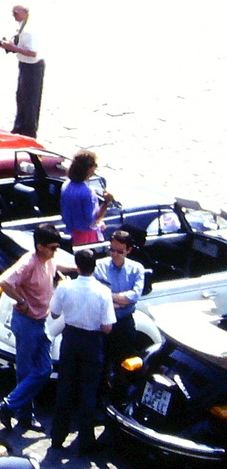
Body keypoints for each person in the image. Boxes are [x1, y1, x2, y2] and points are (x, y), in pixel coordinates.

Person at [0, 223, 63, 432]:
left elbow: (57, 269)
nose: (55, 251)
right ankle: (22, 414)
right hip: (27, 323)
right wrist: (21, 301)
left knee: (44, 369)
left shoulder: (48, 261)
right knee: (25, 371)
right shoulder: (29, 263)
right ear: (40, 246)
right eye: (52, 247)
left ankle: (11, 406)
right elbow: (5, 282)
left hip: (40, 322)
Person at [49, 248, 114, 454]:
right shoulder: (103, 291)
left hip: (71, 338)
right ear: (94, 267)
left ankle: (57, 437)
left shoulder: (65, 287)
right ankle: (86, 441)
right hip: (92, 341)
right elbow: (107, 327)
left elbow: (54, 312)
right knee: (88, 390)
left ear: (77, 266)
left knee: (65, 387)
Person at [95, 229, 148, 372]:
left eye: (120, 251)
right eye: (112, 250)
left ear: (128, 250)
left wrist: (109, 296)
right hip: (104, 323)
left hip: (124, 324)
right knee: (100, 365)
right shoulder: (99, 266)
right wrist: (119, 300)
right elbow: (96, 294)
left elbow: (134, 296)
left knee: (124, 366)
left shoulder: (137, 269)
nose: (114, 254)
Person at [0, 4, 44, 137]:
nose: (13, 15)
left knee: (30, 100)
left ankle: (28, 131)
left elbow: (33, 52)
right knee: (21, 97)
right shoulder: (23, 25)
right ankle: (19, 127)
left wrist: (13, 47)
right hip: (24, 64)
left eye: (16, 12)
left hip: (33, 67)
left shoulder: (29, 30)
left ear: (25, 12)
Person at [62, 149, 113, 246]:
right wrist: (106, 202)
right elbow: (92, 221)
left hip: (70, 232)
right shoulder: (87, 192)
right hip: (86, 237)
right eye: (95, 165)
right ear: (89, 169)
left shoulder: (66, 185)